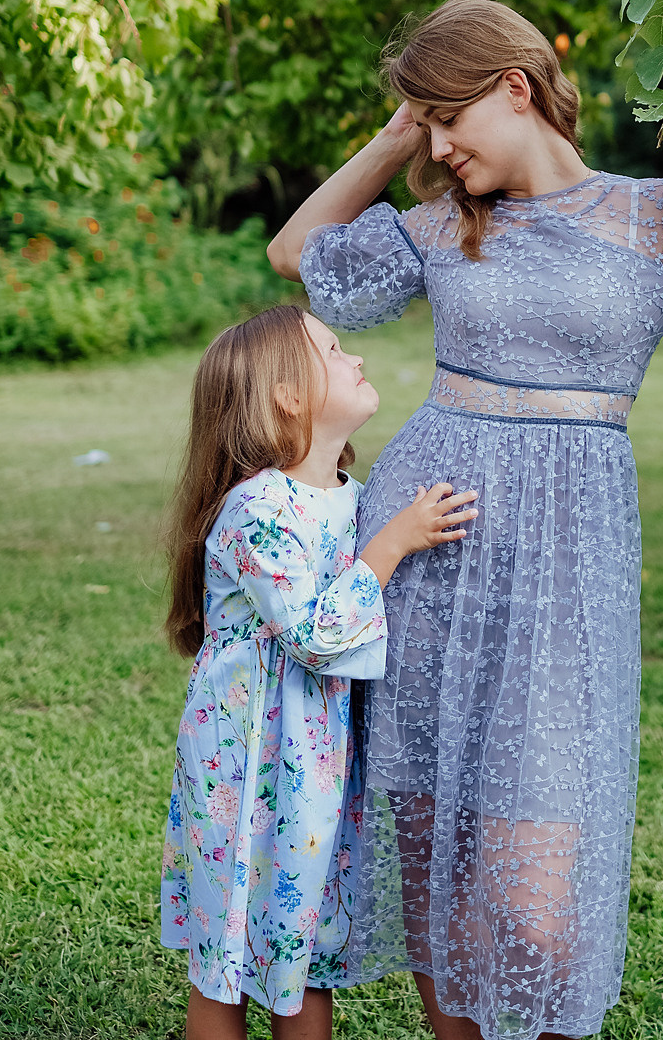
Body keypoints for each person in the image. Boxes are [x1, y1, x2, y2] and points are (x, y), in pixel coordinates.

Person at [266, 0, 663, 1040]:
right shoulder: (440, 225)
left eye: (448, 120)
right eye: (423, 127)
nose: (437, 147)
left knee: (534, 897)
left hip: (570, 561)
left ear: (514, 88)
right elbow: (299, 254)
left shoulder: (659, 217)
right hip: (429, 543)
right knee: (438, 851)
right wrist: (397, 132)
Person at [159, 303, 478, 1040]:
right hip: (244, 768)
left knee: (300, 947)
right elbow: (314, 633)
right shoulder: (257, 509)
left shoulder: (352, 499)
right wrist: (394, 543)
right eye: (333, 350)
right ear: (287, 395)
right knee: (229, 950)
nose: (355, 358)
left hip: (317, 765)